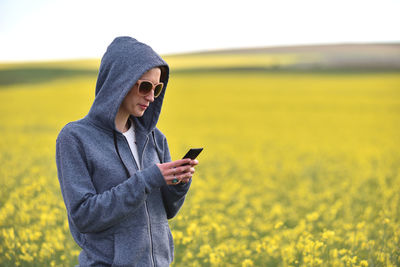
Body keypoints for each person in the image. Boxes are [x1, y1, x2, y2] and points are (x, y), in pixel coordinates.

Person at [55, 36, 198, 266]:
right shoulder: (75, 138)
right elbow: (83, 216)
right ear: (119, 81)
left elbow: (166, 211)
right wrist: (147, 179)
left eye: (157, 88)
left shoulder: (156, 139)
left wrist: (179, 184)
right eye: (145, 86)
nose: (151, 97)